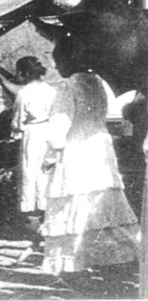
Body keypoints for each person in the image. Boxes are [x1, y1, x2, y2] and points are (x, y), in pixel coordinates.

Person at [41, 69, 140, 274]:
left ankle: (75, 263)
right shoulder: (98, 82)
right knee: (101, 203)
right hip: (99, 145)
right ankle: (110, 258)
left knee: (76, 201)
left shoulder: (68, 86)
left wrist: (50, 155)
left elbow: (60, 124)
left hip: (76, 147)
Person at [10, 56, 57, 217]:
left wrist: (16, 129)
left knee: (30, 171)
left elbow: (17, 120)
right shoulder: (51, 90)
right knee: (46, 170)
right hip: (48, 131)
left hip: (32, 132)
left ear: (24, 73)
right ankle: (46, 206)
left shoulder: (24, 93)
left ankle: (30, 209)